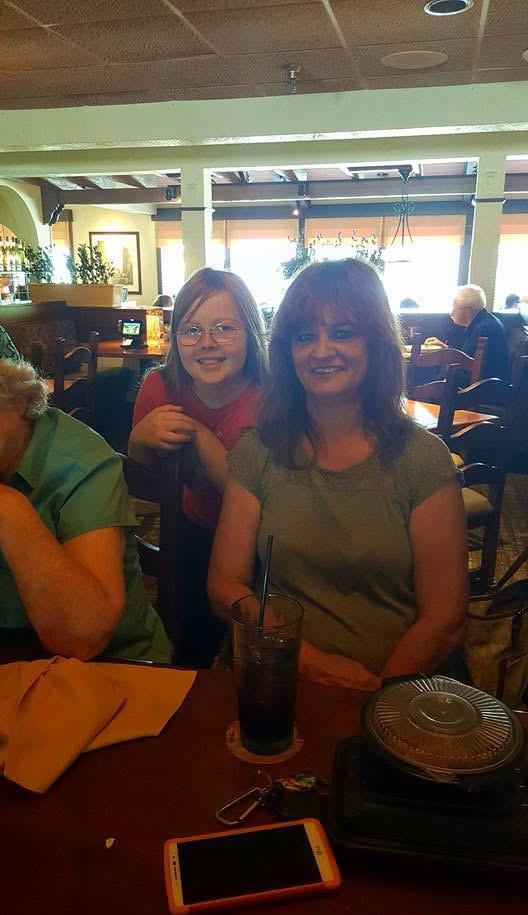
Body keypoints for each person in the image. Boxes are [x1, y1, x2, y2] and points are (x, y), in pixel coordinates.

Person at [208, 259, 468, 690]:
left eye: (343, 332)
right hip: (277, 677)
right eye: (305, 336)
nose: (322, 350)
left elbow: (445, 620)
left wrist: (372, 701)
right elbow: (224, 584)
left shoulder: (422, 461)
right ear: (288, 351)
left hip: (398, 694)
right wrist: (308, 662)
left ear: (377, 344)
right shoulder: (260, 451)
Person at [129, 267, 267, 664]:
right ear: (175, 338)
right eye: (191, 330)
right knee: (191, 641)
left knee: (257, 649)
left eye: (225, 328)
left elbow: (258, 501)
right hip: (189, 528)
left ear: (252, 333)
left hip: (262, 543)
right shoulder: (159, 387)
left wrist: (203, 439)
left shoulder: (270, 399)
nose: (207, 343)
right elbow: (143, 480)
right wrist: (138, 441)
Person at [0, 358, 171, 664]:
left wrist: (7, 507)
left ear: (20, 403)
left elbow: (83, 637)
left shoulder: (82, 463)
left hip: (116, 670)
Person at [450, 285, 509, 382]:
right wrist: (445, 348)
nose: (451, 313)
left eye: (455, 308)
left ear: (468, 311)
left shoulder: (483, 329)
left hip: (484, 388)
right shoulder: (484, 321)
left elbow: (465, 365)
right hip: (487, 381)